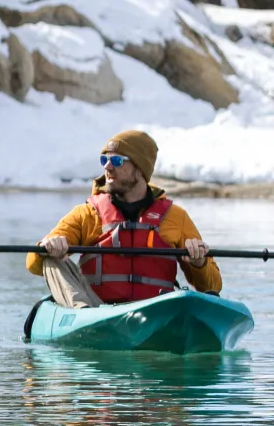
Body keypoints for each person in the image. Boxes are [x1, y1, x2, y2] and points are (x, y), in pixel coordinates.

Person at [30, 128, 221, 302]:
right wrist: (49, 246)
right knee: (49, 258)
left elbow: (213, 286)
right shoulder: (87, 214)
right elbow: (33, 264)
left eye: (117, 161)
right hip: (96, 312)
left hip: (155, 310)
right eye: (104, 160)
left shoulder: (176, 217)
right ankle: (82, 314)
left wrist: (199, 262)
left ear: (139, 169)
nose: (107, 167)